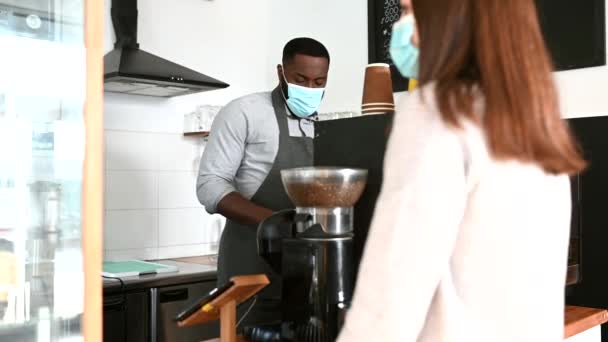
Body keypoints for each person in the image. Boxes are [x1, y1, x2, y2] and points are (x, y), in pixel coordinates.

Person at [338, 0, 585, 341]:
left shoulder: (438, 114)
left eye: (410, 10)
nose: (402, 27)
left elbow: (388, 302)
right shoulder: (538, 128)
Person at [197, 37, 330, 325]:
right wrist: (276, 223)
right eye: (301, 79)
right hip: (250, 269)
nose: (310, 89)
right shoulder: (244, 112)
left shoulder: (325, 125)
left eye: (319, 82)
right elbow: (210, 185)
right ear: (281, 72)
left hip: (306, 275)